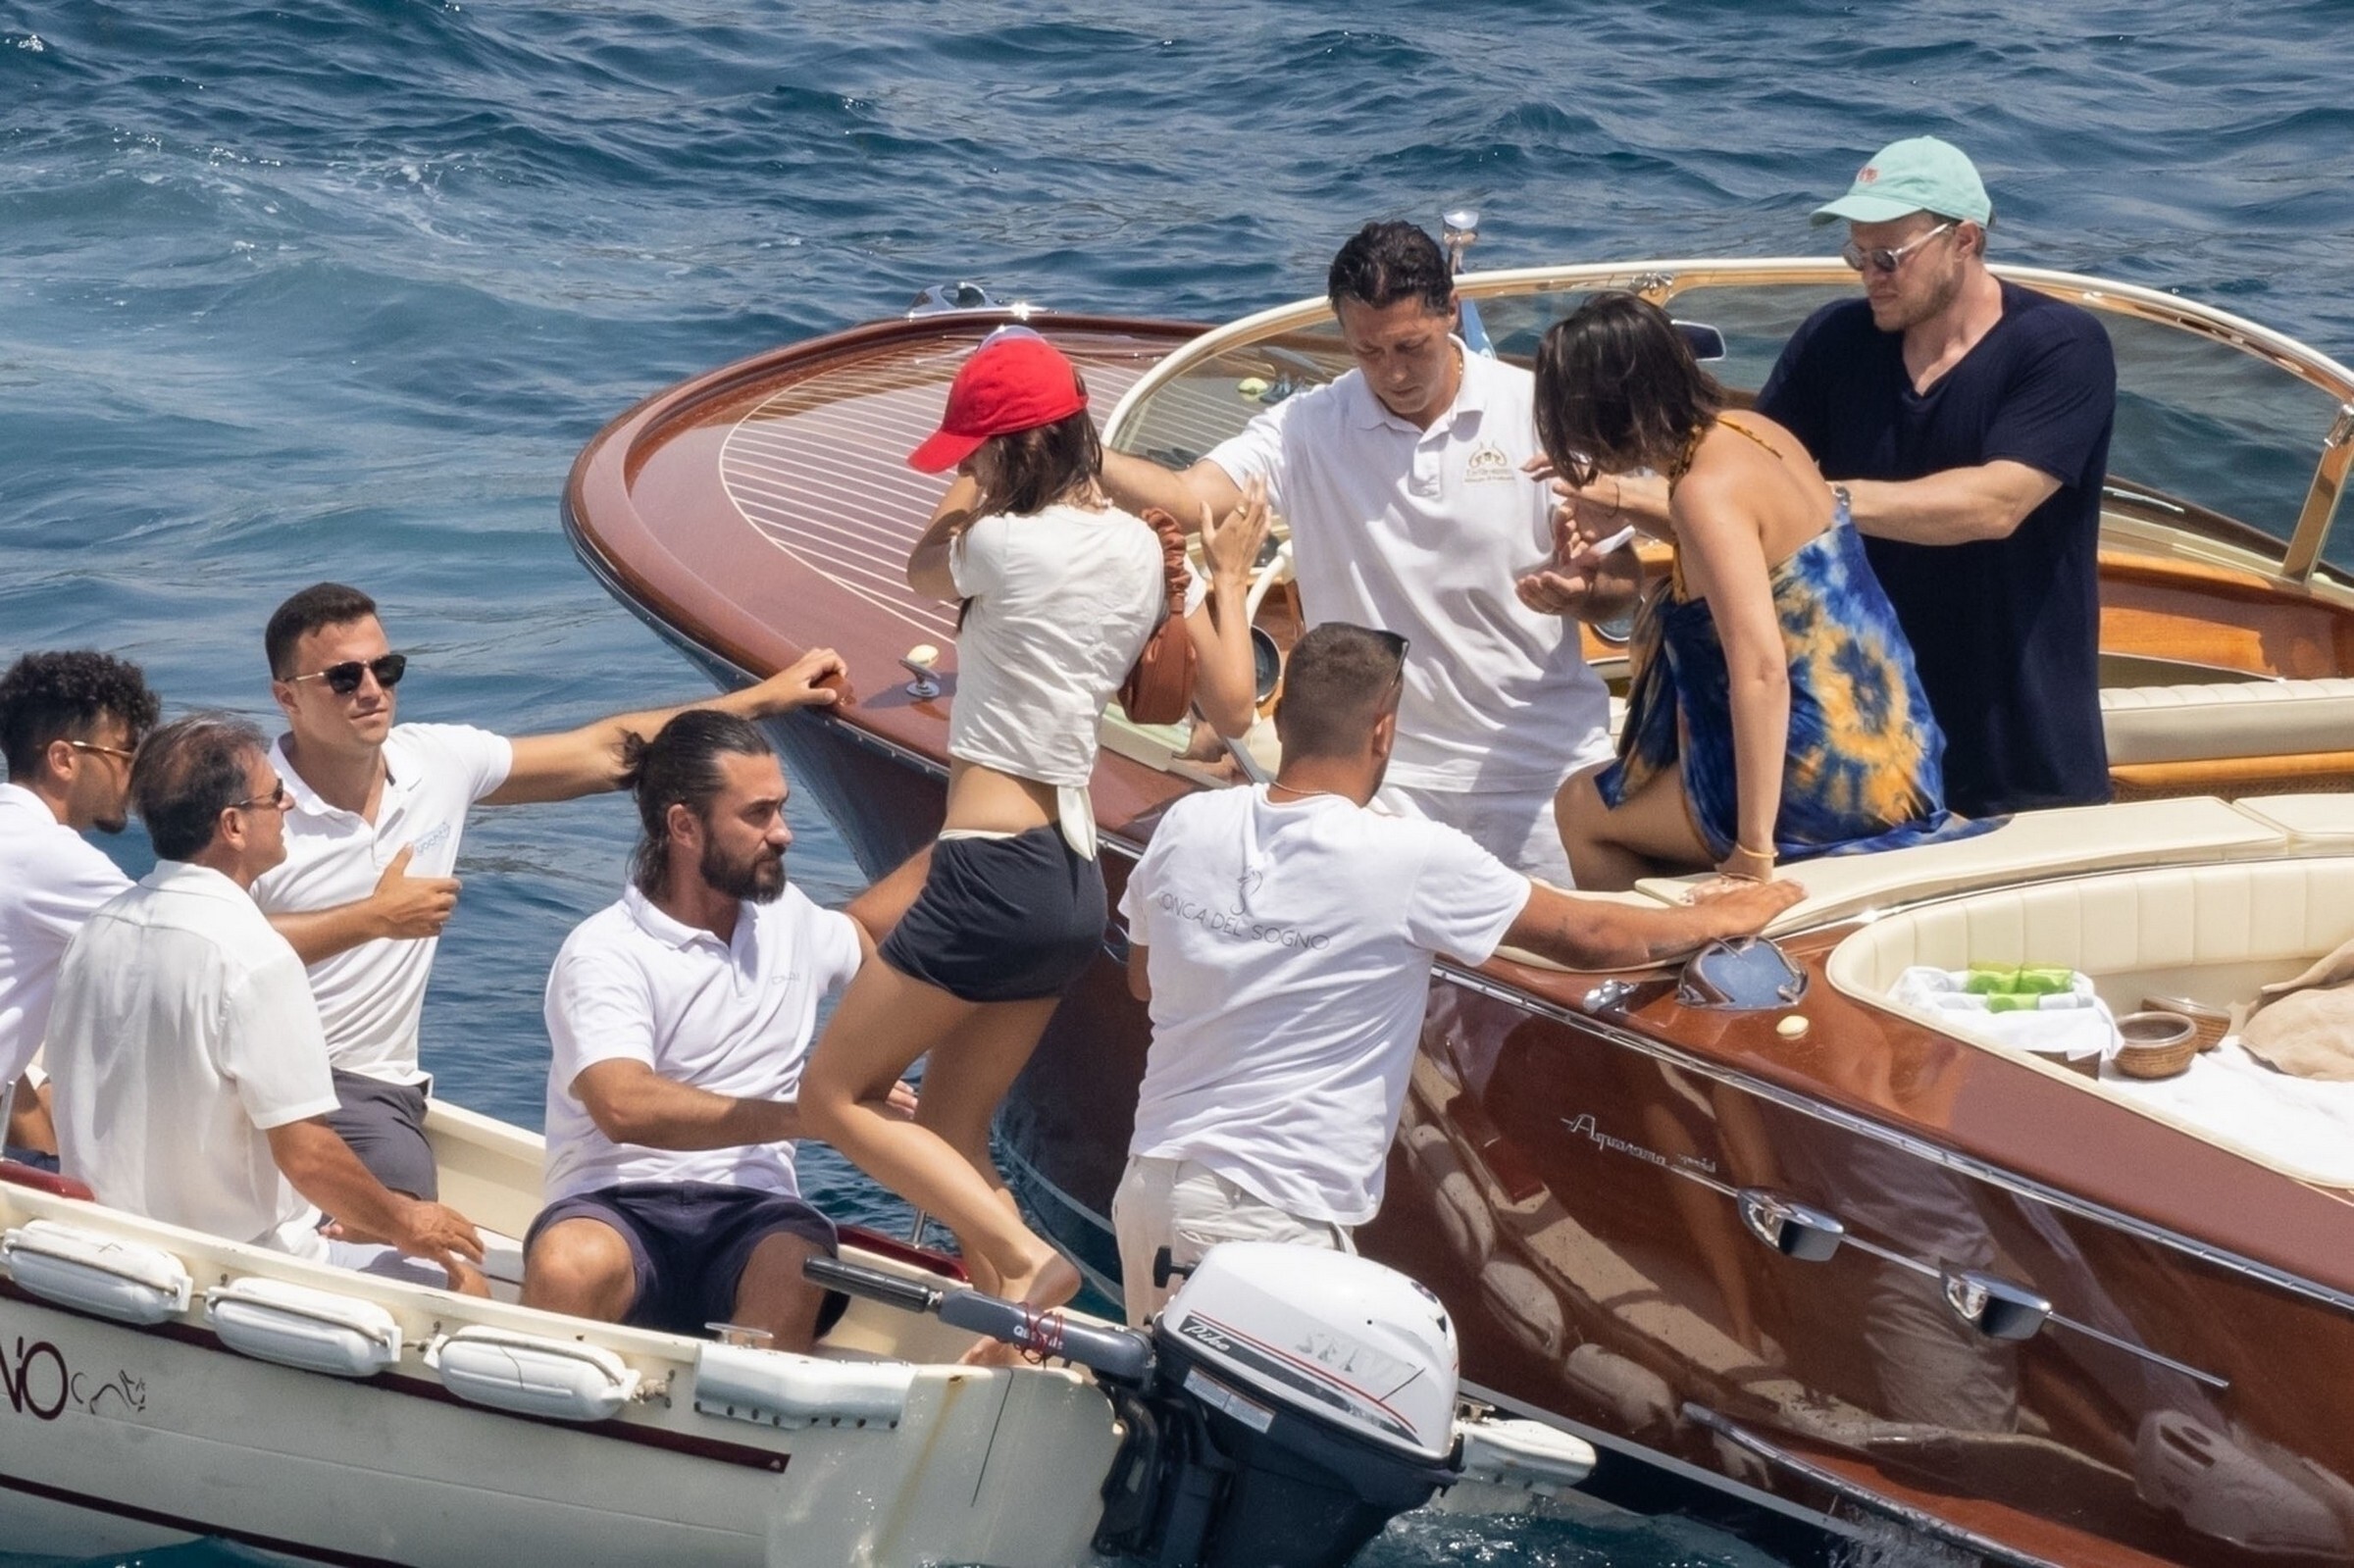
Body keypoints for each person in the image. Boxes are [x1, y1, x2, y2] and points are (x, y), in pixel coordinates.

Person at [1111, 624, 1802, 1325]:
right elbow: (1590, 937)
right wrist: (1725, 912)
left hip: (1149, 1191)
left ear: (1281, 717)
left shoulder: (1190, 822)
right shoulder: (1408, 858)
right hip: (1273, 1220)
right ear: (1383, 731)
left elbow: (1145, 979)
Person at [798, 331, 1194, 1321]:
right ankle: (1023, 1333)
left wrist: (970, 488)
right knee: (950, 1130)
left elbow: (922, 567)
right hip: (1068, 878)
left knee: (835, 1095)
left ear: (1017, 449)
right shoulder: (1139, 549)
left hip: (990, 870)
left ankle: (1026, 1260)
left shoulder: (1002, 545)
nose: (967, 465)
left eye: (977, 448)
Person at [1560, 137, 2117, 818]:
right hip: (1864, 742)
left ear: (1965, 240)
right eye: (1857, 256)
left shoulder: (2061, 346)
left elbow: (1995, 504)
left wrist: (1813, 501)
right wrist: (1616, 499)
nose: (1869, 276)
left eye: (1889, 258)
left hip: (2017, 746)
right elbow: (1734, 490)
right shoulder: (1836, 340)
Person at [250, 580, 851, 1201]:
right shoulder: (250, 807)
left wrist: (766, 699)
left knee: (409, 1236)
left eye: (387, 669)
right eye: (344, 678)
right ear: (286, 696)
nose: (373, 690)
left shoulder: (435, 763)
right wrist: (372, 919)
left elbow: (609, 754)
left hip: (367, 1089)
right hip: (249, 1070)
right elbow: (209, 944)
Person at [1100, 221, 1638, 885]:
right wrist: (1078, 452)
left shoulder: (1539, 412)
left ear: (1452, 311)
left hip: (1544, 771)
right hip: (1382, 784)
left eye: (1411, 346)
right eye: (1369, 352)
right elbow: (1189, 497)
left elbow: (1622, 579)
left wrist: (1585, 592)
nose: (1394, 372)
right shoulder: (1306, 429)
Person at [1537, 293, 1984, 891]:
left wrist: (1752, 850)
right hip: (1895, 754)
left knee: (1578, 808)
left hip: (1823, 776)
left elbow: (1762, 671)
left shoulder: (1702, 491)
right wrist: (1621, 503)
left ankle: (1670, 946)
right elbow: (1741, 552)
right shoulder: (1755, 432)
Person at [46, 715, 486, 1290]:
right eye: (275, 796)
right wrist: (407, 1222)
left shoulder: (93, 934)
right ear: (233, 825)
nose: (289, 806)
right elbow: (307, 1156)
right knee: (463, 1281)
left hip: (102, 1248)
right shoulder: (255, 956)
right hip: (238, 1264)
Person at [524, 712, 905, 1351]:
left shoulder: (789, 918)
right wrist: (818, 1113)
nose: (783, 833)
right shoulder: (605, 951)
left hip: (754, 1213)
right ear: (684, 826)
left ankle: (745, 1408)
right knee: (570, 1264)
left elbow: (865, 933)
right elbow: (622, 1105)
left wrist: (978, 834)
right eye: (757, 815)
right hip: (617, 1205)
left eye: (781, 808)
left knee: (797, 1265)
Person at [0, 651, 160, 1161]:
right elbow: (196, 946)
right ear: (64, 759)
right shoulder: (48, 856)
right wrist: (369, 917)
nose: (134, 772)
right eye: (125, 753)